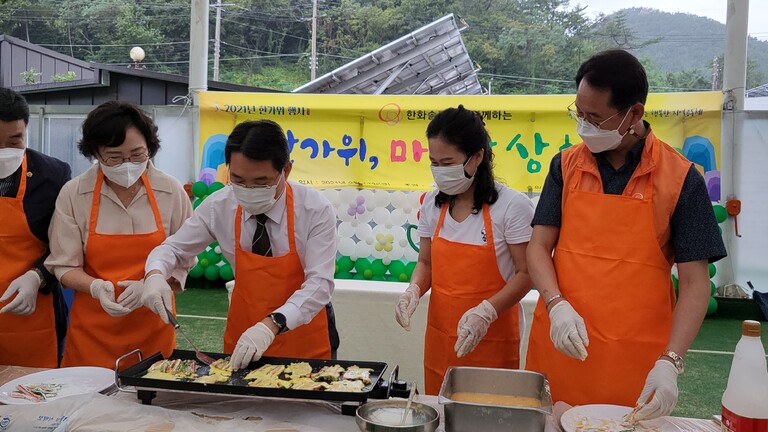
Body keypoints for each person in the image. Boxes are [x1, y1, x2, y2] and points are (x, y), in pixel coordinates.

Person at [525, 49, 726, 419]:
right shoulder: (565, 165)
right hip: (562, 345)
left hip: (635, 363)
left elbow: (697, 284)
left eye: (595, 117)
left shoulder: (681, 178)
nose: (584, 126)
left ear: (634, 113)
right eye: (579, 114)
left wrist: (671, 361)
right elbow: (538, 246)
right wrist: (556, 304)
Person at [141, 119, 338, 370]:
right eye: (238, 179)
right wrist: (155, 273)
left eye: (261, 181)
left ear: (286, 171)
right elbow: (173, 248)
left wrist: (272, 324)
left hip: (303, 333)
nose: (248, 189)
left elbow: (320, 284)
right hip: (243, 334)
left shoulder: (314, 209)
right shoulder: (219, 206)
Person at [394, 105, 535, 395]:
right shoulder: (434, 204)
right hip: (440, 341)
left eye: (448, 163)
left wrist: (486, 312)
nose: (440, 172)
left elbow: (526, 273)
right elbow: (426, 263)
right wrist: (413, 291)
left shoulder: (511, 206)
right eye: (434, 162)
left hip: (492, 345)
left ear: (477, 157)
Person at [45, 101, 192, 368]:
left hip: (154, 329)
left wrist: (151, 285)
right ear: (95, 153)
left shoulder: (171, 191)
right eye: (114, 157)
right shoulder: (74, 193)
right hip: (92, 332)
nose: (127, 164)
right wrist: (96, 287)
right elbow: (64, 265)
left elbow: (184, 258)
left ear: (150, 147)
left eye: (137, 154)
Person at [0, 88, 70, 367]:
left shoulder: (53, 175)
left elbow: (66, 244)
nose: (5, 151)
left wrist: (37, 276)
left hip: (32, 313)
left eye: (15, 140)